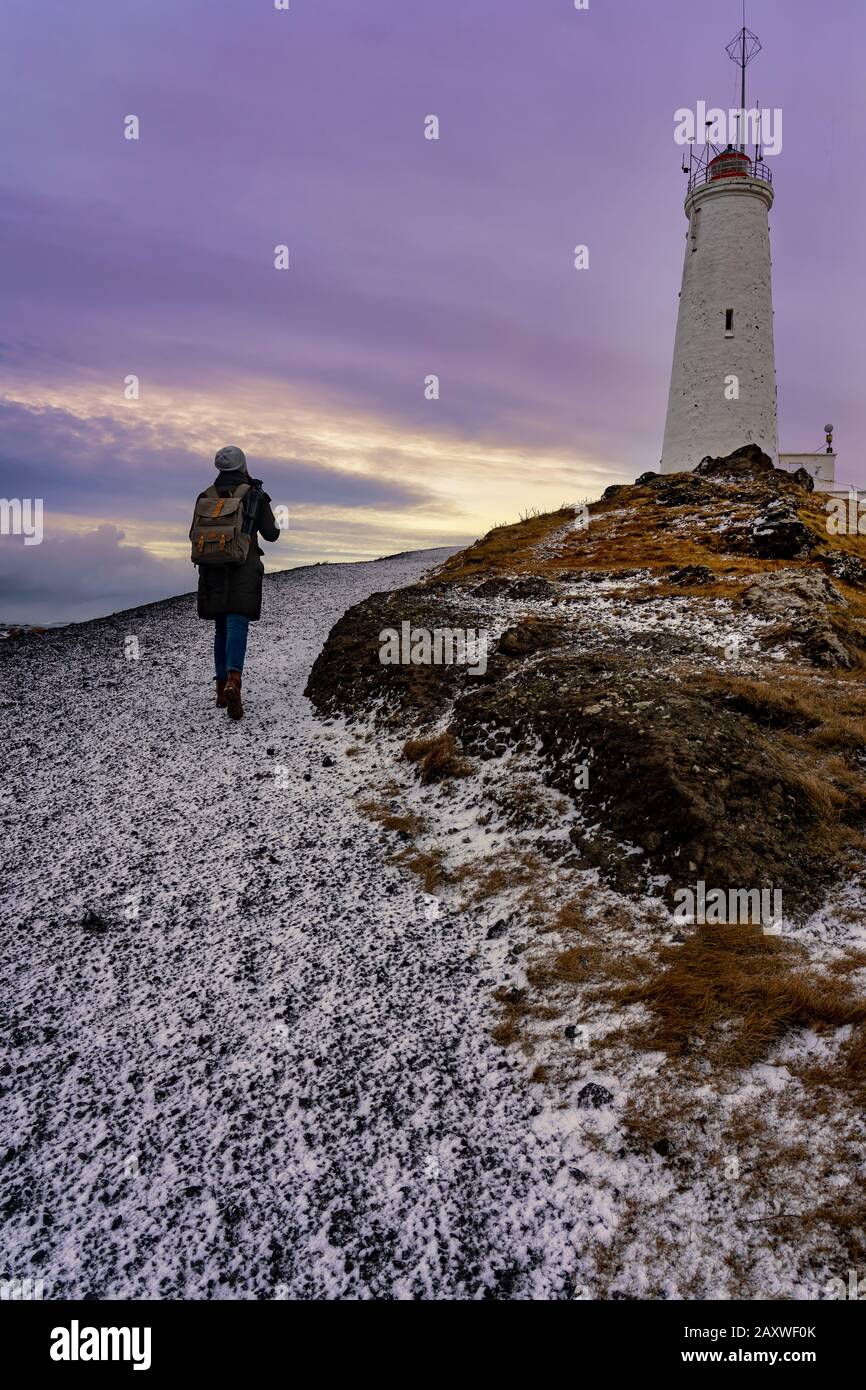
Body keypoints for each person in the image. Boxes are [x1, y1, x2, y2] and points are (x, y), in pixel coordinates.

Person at [194, 445, 280, 720]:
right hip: (243, 566)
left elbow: (192, 534)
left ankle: (220, 690)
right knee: (236, 623)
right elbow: (271, 534)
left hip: (211, 568)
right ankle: (235, 680)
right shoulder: (254, 494)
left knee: (220, 627)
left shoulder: (205, 495)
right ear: (243, 465)